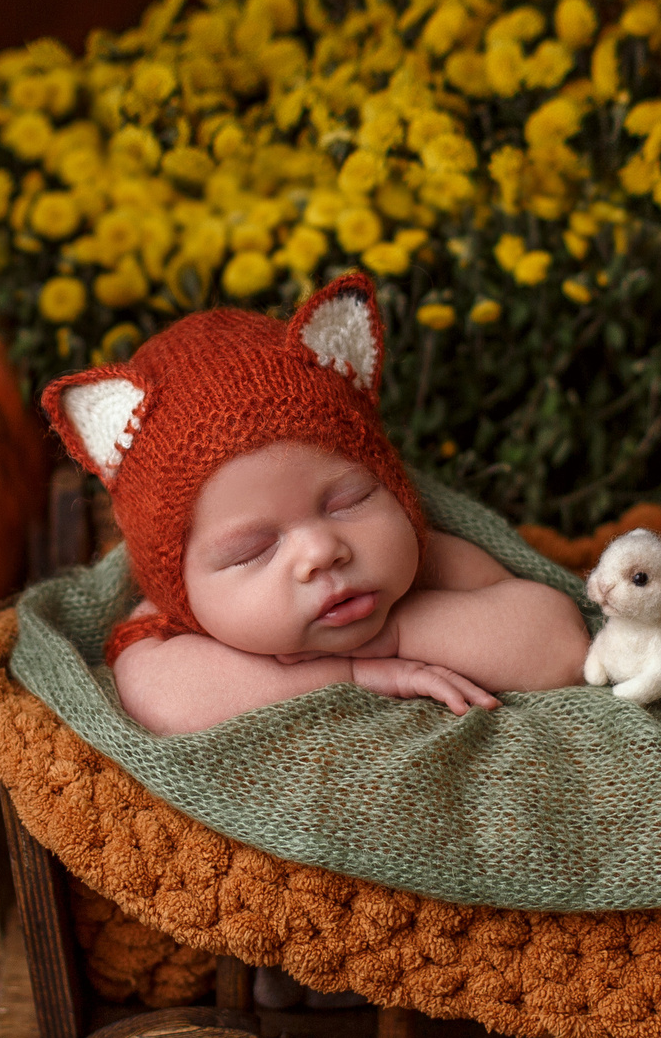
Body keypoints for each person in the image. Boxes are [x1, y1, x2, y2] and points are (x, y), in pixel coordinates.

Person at [43, 273, 590, 737]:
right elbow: (160, 701)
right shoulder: (176, 631)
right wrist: (352, 673)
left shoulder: (431, 567)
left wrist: (394, 635)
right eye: (252, 550)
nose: (321, 551)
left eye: (349, 501)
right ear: (177, 586)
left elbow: (562, 646)